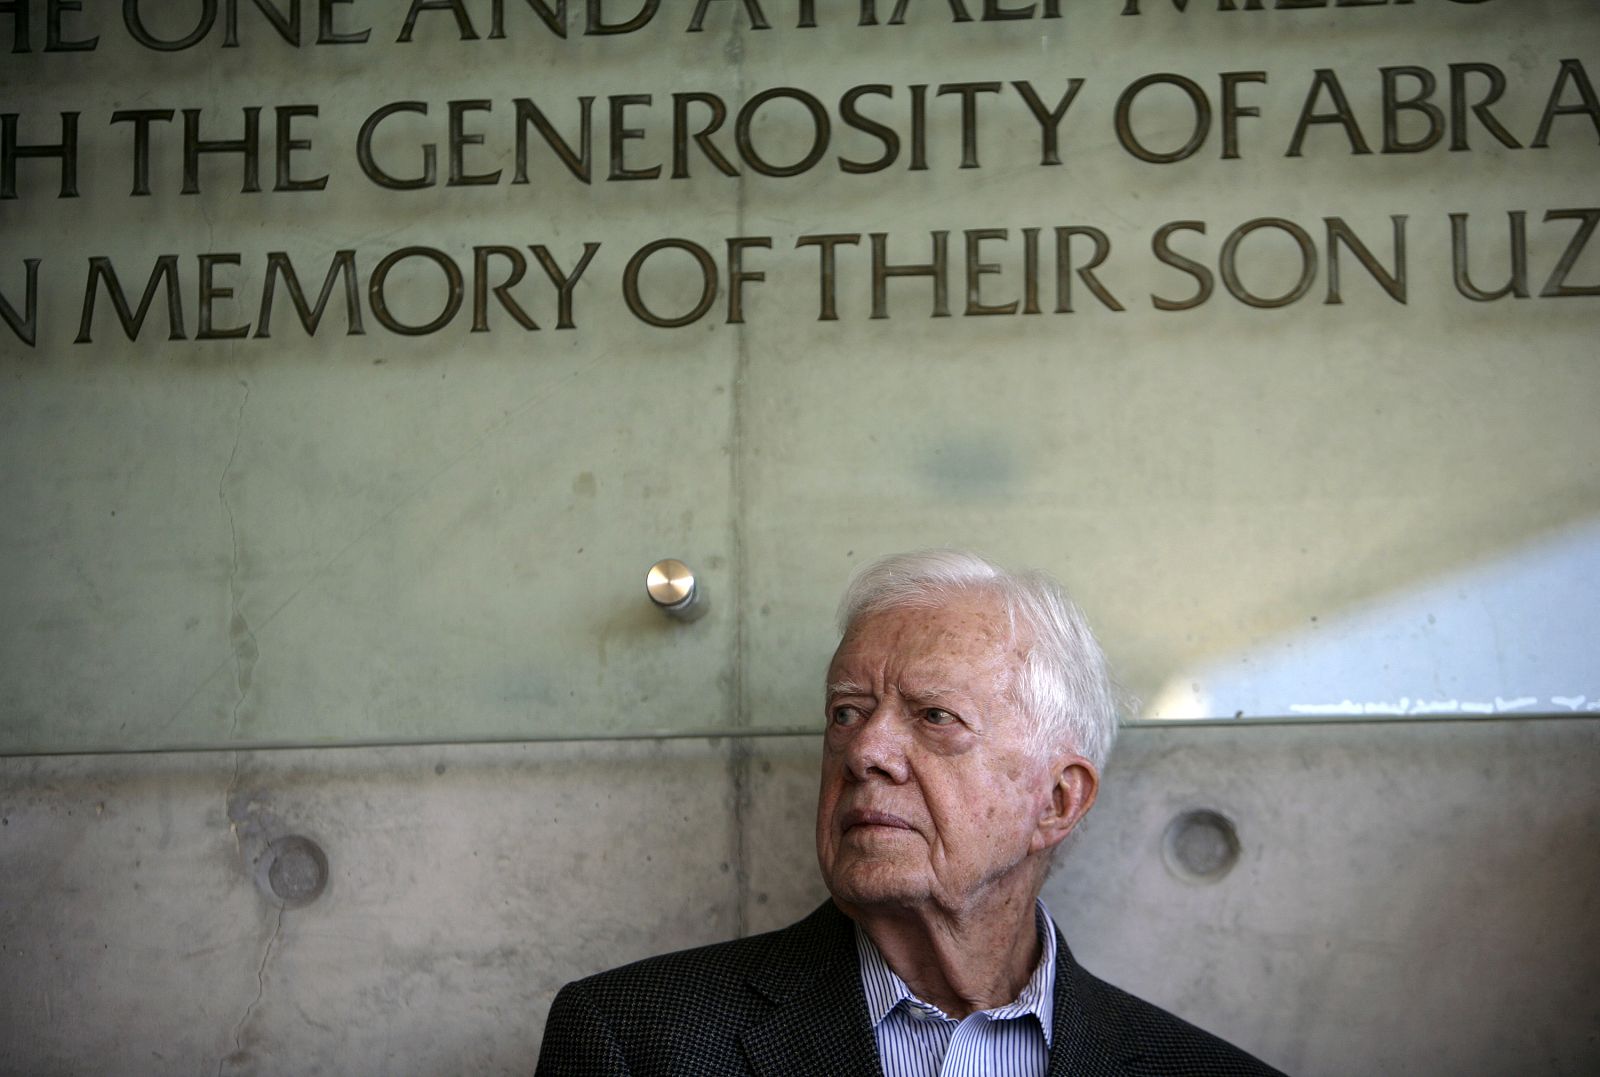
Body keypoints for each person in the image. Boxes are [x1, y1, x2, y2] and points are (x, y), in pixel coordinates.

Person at [536, 550, 1284, 1076]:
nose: (865, 750)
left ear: (1057, 801)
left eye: (933, 715)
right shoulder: (634, 1042)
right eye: (845, 712)